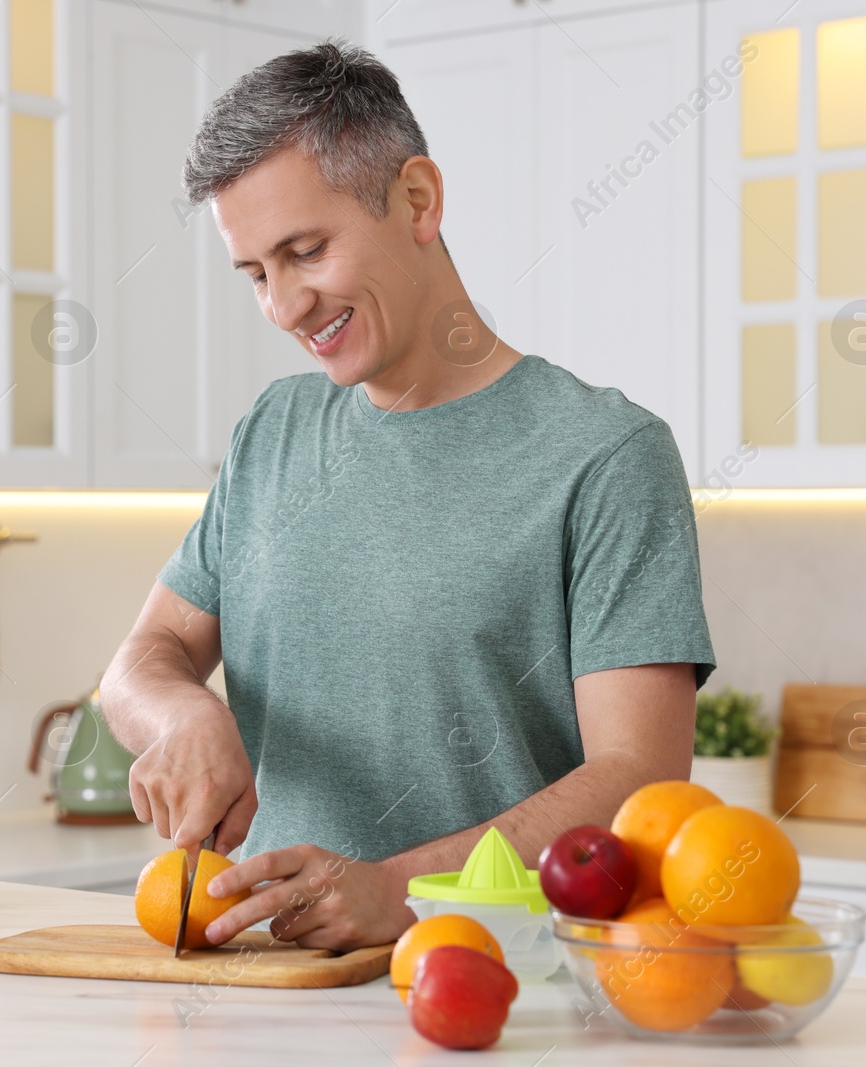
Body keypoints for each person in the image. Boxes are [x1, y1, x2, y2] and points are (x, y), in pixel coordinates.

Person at [99, 40, 716, 951]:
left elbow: (640, 780)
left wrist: (409, 890)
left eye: (305, 252)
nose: (283, 306)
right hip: (267, 981)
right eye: (256, 273)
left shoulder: (606, 455)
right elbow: (139, 660)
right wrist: (186, 712)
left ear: (418, 201)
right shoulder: (273, 430)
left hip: (500, 984)